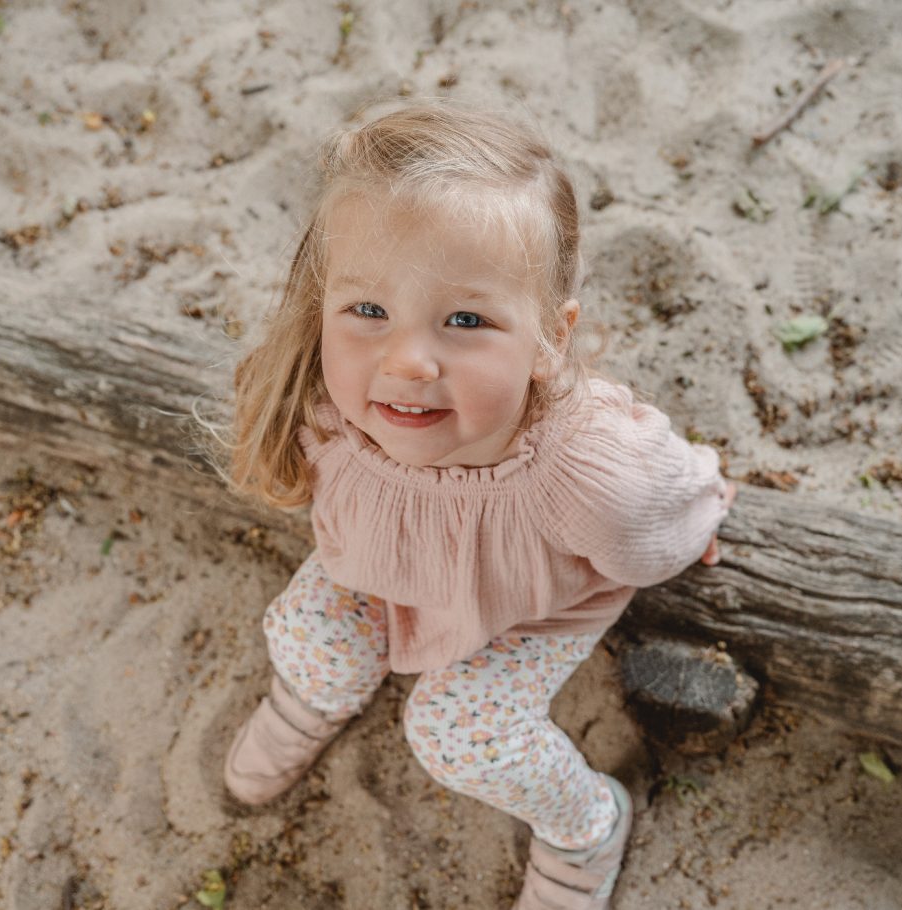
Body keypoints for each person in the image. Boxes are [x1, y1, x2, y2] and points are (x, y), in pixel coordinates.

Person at [216, 101, 734, 909]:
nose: (407, 361)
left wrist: (693, 514)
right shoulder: (329, 402)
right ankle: (313, 698)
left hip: (521, 605)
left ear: (549, 339)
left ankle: (585, 826)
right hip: (383, 571)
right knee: (310, 632)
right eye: (368, 311)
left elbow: (654, 523)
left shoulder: (583, 471)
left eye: (465, 319)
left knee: (459, 735)